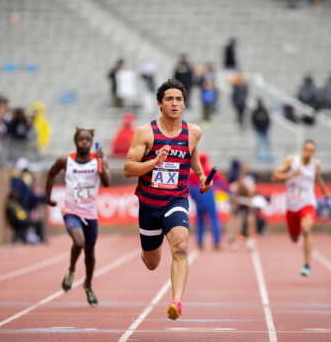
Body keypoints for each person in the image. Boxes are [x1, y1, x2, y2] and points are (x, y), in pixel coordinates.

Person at [124, 79, 212, 320]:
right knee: (152, 263)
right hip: (150, 204)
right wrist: (155, 162)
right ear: (160, 104)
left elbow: (191, 155)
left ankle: (176, 302)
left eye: (179, 99)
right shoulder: (145, 133)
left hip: (176, 200)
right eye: (169, 99)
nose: (174, 104)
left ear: (184, 104)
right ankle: (147, 250)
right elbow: (128, 169)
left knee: (181, 247)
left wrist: (202, 176)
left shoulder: (193, 132)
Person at [45, 127, 110, 306]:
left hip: (90, 214)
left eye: (87, 140)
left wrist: (99, 162)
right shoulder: (66, 161)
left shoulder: (99, 160)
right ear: (75, 142)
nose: (84, 142)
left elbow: (107, 183)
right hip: (71, 210)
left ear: (91, 142)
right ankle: (72, 269)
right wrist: (47, 197)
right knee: (79, 242)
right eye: (81, 140)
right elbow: (50, 174)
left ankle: (88, 284)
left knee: (90, 253)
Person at [272, 140, 331, 277]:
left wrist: (325, 191)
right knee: (294, 238)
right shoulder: (291, 161)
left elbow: (317, 178)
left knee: (307, 228)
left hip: (307, 203)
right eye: (307, 150)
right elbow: (275, 177)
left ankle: (307, 265)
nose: (309, 153)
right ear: (302, 149)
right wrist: (291, 175)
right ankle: (296, 231)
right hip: (292, 205)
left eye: (312, 151)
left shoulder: (315, 164)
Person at [189, 152, 230, 250]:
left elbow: (188, 188)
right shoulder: (211, 171)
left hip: (199, 201)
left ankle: (199, 243)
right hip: (209, 200)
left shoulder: (193, 173)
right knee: (215, 220)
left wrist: (196, 198)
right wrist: (231, 191)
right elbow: (222, 184)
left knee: (200, 222)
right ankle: (216, 243)